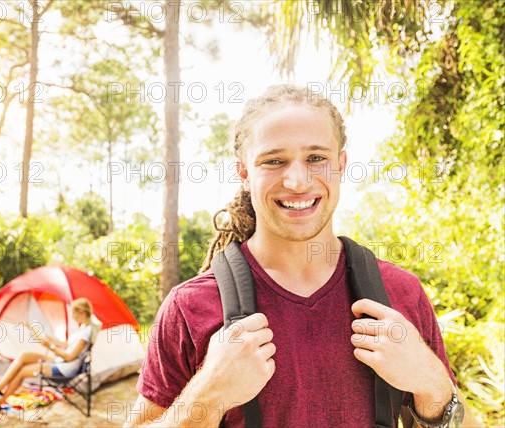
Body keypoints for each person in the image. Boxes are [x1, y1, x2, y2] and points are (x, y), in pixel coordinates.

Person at [126, 85, 480, 427]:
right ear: (245, 173)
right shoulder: (190, 307)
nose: (297, 181)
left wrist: (430, 382)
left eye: (316, 158)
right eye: (274, 161)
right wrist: (206, 395)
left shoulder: (400, 293)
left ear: (340, 164)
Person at [0, 298, 93, 412]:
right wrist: (50, 339)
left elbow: (70, 357)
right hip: (60, 362)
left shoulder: (86, 333)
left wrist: (51, 347)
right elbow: (67, 345)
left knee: (23, 371)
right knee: (25, 355)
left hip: (65, 369)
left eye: (74, 313)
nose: (73, 316)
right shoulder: (83, 328)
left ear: (82, 312)